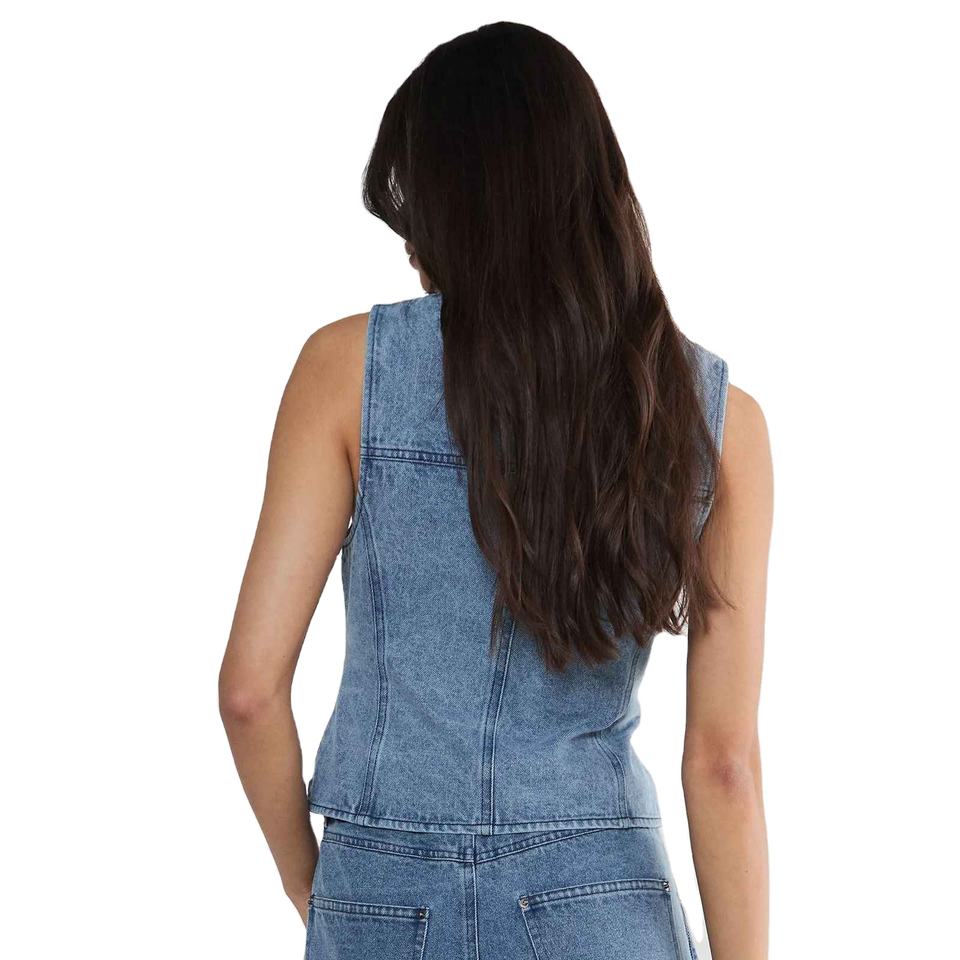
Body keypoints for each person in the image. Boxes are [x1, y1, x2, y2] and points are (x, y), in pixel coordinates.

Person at [219, 21, 771, 960]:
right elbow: (723, 764)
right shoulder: (715, 420)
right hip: (603, 898)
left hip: (382, 891)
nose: (411, 244)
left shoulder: (346, 373)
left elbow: (248, 692)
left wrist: (312, 885)